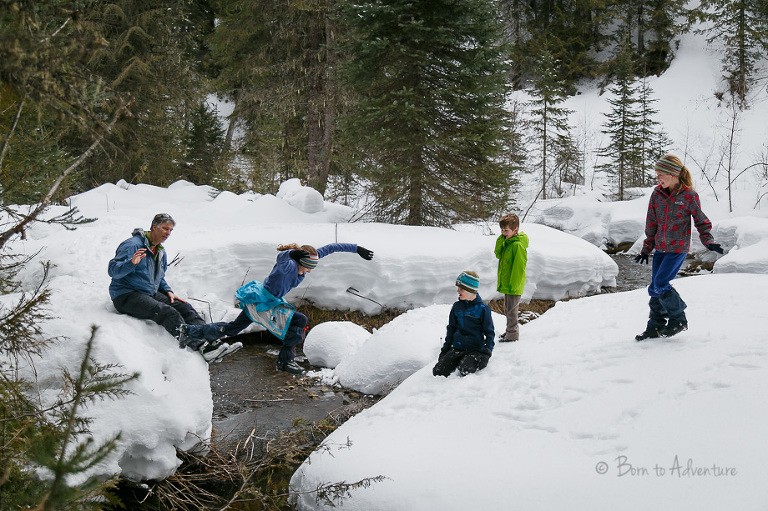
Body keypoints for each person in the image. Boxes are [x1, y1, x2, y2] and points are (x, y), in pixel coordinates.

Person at [108, 213, 242, 363]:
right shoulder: (132, 245)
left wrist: (168, 291)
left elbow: (158, 278)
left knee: (185, 307)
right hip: (126, 295)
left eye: (171, 230)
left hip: (148, 293)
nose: (168, 233)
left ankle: (211, 340)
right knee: (168, 312)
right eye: (165, 228)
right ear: (154, 227)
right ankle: (201, 346)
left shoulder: (160, 251)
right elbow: (113, 270)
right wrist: (131, 263)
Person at [224, 242, 375, 374]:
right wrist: (291, 253)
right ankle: (284, 362)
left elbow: (332, 247)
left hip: (269, 301)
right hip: (263, 302)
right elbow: (281, 258)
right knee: (299, 320)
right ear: (300, 260)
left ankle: (204, 335)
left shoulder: (306, 259)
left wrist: (357, 249)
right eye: (308, 267)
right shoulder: (288, 266)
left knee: (234, 328)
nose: (309, 271)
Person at [634, 155, 724, 341]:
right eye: (657, 174)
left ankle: (679, 319)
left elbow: (700, 220)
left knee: (660, 284)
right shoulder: (656, 194)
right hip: (660, 248)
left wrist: (708, 240)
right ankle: (655, 325)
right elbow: (651, 223)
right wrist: (646, 248)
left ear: (673, 174)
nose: (658, 178)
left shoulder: (689, 196)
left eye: (660, 174)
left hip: (677, 248)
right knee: (654, 288)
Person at [433, 271, 495, 377]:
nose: (458, 291)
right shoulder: (457, 307)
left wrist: (487, 353)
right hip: (457, 348)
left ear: (470, 290)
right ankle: (458, 359)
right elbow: (451, 329)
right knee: (438, 371)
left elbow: (489, 333)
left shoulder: (483, 309)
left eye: (461, 289)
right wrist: (445, 349)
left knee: (465, 370)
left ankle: (468, 360)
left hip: (475, 350)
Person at [494, 213, 528, 342]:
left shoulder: (517, 246)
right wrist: (501, 240)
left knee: (512, 311)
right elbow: (498, 254)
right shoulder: (507, 243)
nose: (503, 232)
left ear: (516, 230)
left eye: (506, 230)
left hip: (513, 285)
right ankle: (509, 331)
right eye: (502, 230)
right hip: (508, 284)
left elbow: (519, 268)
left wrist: (514, 285)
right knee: (507, 309)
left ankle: (512, 335)